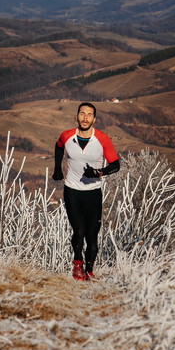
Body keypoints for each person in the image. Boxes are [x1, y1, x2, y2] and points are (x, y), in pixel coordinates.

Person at [52, 102, 120, 280]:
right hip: (72, 190)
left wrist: (98, 172)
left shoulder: (102, 139)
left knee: (92, 236)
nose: (85, 117)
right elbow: (59, 146)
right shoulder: (67, 135)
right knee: (79, 230)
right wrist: (57, 169)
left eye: (89, 114)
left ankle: (89, 271)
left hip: (93, 192)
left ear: (94, 119)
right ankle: (77, 264)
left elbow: (115, 165)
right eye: (82, 113)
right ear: (77, 116)